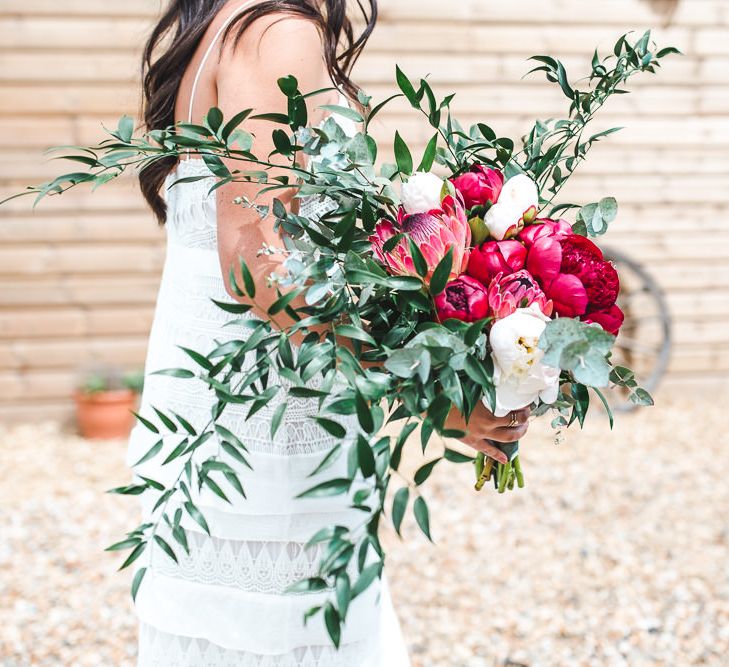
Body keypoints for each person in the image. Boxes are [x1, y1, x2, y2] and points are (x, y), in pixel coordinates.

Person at [130, 1, 531, 664]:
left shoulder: (225, 22)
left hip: (225, 407)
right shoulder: (275, 32)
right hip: (264, 421)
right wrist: (427, 389)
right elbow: (259, 266)